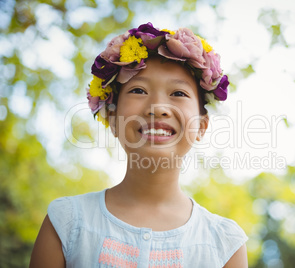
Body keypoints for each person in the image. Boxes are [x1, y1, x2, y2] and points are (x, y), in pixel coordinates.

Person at [30, 22, 248, 268]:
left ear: (201, 126)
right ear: (111, 119)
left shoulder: (225, 244)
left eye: (178, 93)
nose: (157, 107)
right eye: (138, 90)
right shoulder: (66, 223)